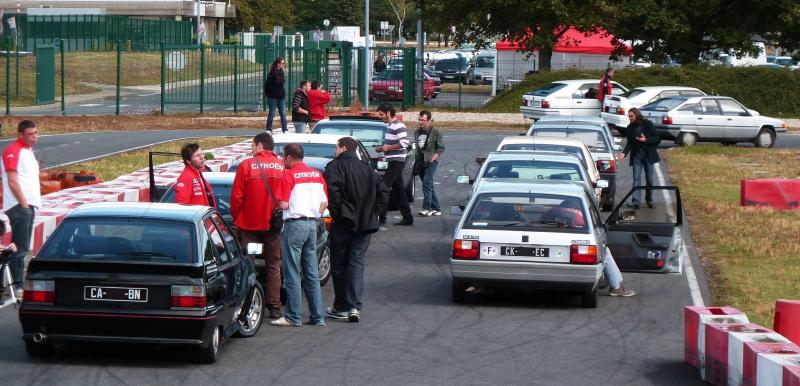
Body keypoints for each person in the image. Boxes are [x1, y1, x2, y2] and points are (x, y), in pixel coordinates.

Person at [323, 137, 389, 322]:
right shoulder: (367, 169)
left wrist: (338, 212)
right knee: (356, 263)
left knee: (339, 265)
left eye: (336, 147)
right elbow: (384, 191)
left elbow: (332, 192)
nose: (335, 150)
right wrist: (374, 212)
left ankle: (342, 305)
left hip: (343, 223)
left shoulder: (334, 167)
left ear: (344, 148)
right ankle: (354, 306)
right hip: (364, 224)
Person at [271, 143, 328, 327]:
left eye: (282, 157)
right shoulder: (316, 174)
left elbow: (283, 205)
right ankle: (317, 316)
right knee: (311, 272)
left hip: (295, 225)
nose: (281, 160)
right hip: (313, 224)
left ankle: (293, 316)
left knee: (292, 271)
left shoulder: (289, 175)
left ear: (288, 157)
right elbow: (324, 203)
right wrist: (315, 214)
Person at [230, 133, 286, 319]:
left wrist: (238, 218)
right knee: (273, 265)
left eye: (253, 146)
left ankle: (248, 303)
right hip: (272, 227)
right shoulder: (281, 166)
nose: (251, 150)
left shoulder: (247, 165)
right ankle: (274, 306)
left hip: (249, 226)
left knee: (249, 265)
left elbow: (237, 198)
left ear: (260, 145)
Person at [546, 197, 636, 297]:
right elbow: (591, 231)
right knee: (604, 251)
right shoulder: (580, 215)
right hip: (575, 248)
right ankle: (616, 287)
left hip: (548, 248)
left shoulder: (551, 211)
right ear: (578, 206)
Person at [1, 120, 40, 299]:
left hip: (28, 205)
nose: (35, 137)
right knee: (21, 248)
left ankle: (10, 282)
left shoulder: (28, 151)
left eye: (36, 133)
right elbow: (12, 181)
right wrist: (24, 204)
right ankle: (17, 286)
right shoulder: (13, 151)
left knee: (21, 246)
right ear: (20, 135)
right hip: (19, 206)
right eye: (31, 134)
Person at [375, 103, 413, 226]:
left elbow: (404, 143)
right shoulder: (390, 125)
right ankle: (408, 217)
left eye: (382, 114)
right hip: (393, 160)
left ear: (388, 112)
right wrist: (382, 148)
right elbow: (392, 145)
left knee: (383, 187)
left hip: (397, 161)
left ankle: (381, 217)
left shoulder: (398, 125)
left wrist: (388, 147)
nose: (381, 117)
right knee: (399, 190)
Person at [620, 107, 661, 209]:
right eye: (629, 116)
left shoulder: (648, 124)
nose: (630, 118)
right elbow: (629, 143)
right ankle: (635, 201)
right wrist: (624, 153)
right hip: (636, 156)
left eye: (631, 116)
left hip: (648, 155)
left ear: (637, 115)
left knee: (649, 179)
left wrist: (646, 140)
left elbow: (657, 138)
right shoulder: (629, 128)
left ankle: (649, 200)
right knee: (636, 178)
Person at [414, 110, 445, 217]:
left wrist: (433, 158)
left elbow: (441, 147)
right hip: (420, 162)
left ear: (429, 120)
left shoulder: (436, 132)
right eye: (419, 119)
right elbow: (417, 147)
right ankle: (436, 208)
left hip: (431, 162)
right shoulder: (417, 132)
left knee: (426, 184)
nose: (420, 122)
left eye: (423, 120)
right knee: (429, 185)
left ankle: (427, 208)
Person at [174, 143, 216, 208]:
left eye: (202, 154)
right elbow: (181, 207)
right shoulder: (186, 177)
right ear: (188, 161)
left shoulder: (198, 174)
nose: (202, 157)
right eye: (197, 156)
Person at [264, 57, 288, 133]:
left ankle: (285, 129)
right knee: (272, 113)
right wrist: (268, 94)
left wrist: (282, 73)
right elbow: (277, 82)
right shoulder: (272, 72)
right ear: (278, 64)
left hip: (281, 96)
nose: (284, 65)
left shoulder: (281, 72)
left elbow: (281, 83)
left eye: (284, 63)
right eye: (283, 63)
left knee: (283, 113)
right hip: (272, 96)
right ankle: (269, 129)